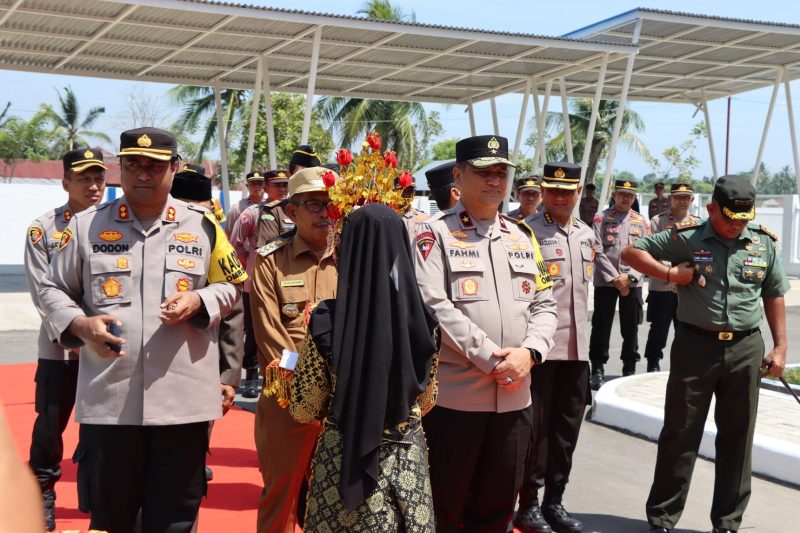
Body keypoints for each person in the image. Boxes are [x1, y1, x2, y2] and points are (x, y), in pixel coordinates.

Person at [39, 127, 246, 533]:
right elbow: (52, 287)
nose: (142, 175)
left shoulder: (204, 225)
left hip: (183, 402)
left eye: (154, 166)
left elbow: (233, 285)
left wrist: (200, 301)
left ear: (176, 168)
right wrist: (80, 323)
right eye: (133, 164)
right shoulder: (85, 226)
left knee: (175, 518)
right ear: (121, 167)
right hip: (110, 399)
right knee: (110, 516)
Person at [621, 175, 789, 533]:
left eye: (743, 218)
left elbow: (774, 293)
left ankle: (727, 522)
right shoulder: (689, 237)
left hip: (745, 348)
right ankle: (662, 518)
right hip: (695, 346)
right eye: (729, 217)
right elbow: (631, 253)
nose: (736, 225)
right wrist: (669, 273)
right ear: (712, 208)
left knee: (738, 437)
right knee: (680, 432)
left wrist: (780, 347)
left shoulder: (762, 243)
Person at [414, 134, 558, 531]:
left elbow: (546, 305)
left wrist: (529, 353)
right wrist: (491, 358)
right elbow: (433, 304)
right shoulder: (433, 234)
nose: (495, 181)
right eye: (483, 172)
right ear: (459, 175)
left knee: (497, 513)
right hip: (456, 403)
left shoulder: (523, 237)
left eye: (501, 172)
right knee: (444, 509)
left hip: (515, 401)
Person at [290, 203, 440, 531]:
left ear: (349, 253)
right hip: (406, 463)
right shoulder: (425, 323)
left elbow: (303, 409)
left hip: (343, 462)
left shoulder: (327, 323)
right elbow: (427, 400)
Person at [248, 167, 339, 533]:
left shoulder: (353, 259)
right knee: (281, 498)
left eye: (331, 206)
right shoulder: (271, 261)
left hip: (342, 401)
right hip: (287, 399)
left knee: (336, 499)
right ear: (291, 211)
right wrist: (311, 382)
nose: (325, 214)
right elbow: (270, 336)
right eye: (314, 205)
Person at [24, 146, 107, 531]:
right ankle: (42, 490)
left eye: (99, 178)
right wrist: (78, 330)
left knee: (104, 427)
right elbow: (44, 292)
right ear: (65, 183)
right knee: (50, 425)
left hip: (107, 351)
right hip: (61, 351)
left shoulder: (115, 223)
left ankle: (99, 494)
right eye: (84, 178)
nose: (93, 186)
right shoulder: (44, 229)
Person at [515, 162, 600, 533]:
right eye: (553, 191)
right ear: (544, 193)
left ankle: (555, 501)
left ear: (578, 192)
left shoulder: (586, 234)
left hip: (578, 351)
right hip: (543, 351)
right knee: (536, 431)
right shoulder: (525, 232)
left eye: (567, 191)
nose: (560, 197)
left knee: (567, 431)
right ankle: (528, 504)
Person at [170, 162, 245, 483]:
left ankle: (195, 459)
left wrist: (228, 374)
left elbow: (233, 309)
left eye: (200, 209)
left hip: (202, 357)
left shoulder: (214, 233)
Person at [230, 169, 295, 398]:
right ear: (266, 188)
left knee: (285, 330)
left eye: (285, 185)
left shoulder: (294, 211)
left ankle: (282, 377)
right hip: (254, 284)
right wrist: (250, 267)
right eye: (277, 185)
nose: (282, 189)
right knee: (254, 332)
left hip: (287, 284)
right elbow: (236, 244)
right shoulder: (252, 213)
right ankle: (250, 378)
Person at [588, 179, 649, 389]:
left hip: (632, 283)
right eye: (622, 194)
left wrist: (629, 277)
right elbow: (596, 248)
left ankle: (629, 368)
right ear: (614, 195)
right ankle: (597, 367)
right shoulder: (601, 218)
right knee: (601, 325)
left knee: (631, 326)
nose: (626, 198)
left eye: (630, 195)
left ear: (635, 197)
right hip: (606, 282)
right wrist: (615, 278)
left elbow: (647, 252)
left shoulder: (641, 221)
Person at [642, 182, 698, 373]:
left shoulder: (699, 223)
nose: (682, 201)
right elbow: (651, 252)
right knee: (659, 329)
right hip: (662, 286)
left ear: (692, 199)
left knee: (686, 330)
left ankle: (683, 367)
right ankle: (653, 363)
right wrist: (673, 274)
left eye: (686, 197)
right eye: (677, 197)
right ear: (670, 199)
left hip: (688, 287)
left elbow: (700, 255)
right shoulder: (658, 221)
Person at [225, 170, 265, 237]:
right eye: (253, 183)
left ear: (265, 185)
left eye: (260, 183)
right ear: (247, 186)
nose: (257, 186)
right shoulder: (237, 208)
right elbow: (228, 233)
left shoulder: (269, 206)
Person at [397, 174, 428, 238]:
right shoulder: (389, 216)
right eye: (402, 190)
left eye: (410, 190)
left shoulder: (424, 218)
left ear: (414, 193)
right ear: (394, 191)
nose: (406, 193)